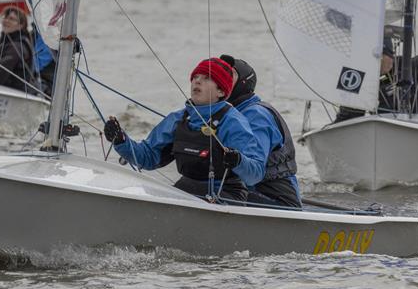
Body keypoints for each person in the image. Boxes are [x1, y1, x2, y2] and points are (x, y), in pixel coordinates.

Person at [103, 57, 266, 202]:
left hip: (225, 195)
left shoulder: (233, 121)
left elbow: (255, 174)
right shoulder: (178, 119)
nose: (197, 81)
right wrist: (121, 141)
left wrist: (238, 160)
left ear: (221, 91)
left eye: (207, 78)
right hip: (187, 189)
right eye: (195, 77)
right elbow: (148, 157)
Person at [219, 54, 301, 208]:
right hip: (244, 191)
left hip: (277, 199)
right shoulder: (222, 114)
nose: (221, 78)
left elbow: (253, 172)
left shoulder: (256, 115)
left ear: (242, 83)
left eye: (229, 75)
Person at [335, 41, 418, 124]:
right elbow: (349, 116)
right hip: (384, 132)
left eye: (382, 57)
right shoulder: (362, 78)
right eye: (374, 58)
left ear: (390, 55)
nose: (378, 62)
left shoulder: (416, 65)